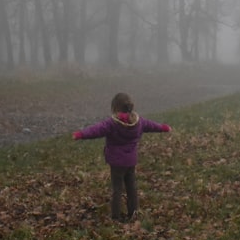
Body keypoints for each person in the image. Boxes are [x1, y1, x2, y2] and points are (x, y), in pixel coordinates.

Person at [72, 92, 171, 221]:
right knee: (131, 187)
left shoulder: (112, 123)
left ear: (115, 107)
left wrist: (80, 134)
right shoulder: (139, 122)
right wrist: (164, 128)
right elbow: (152, 125)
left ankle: (115, 216)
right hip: (131, 161)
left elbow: (96, 130)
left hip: (116, 162)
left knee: (117, 189)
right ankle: (133, 213)